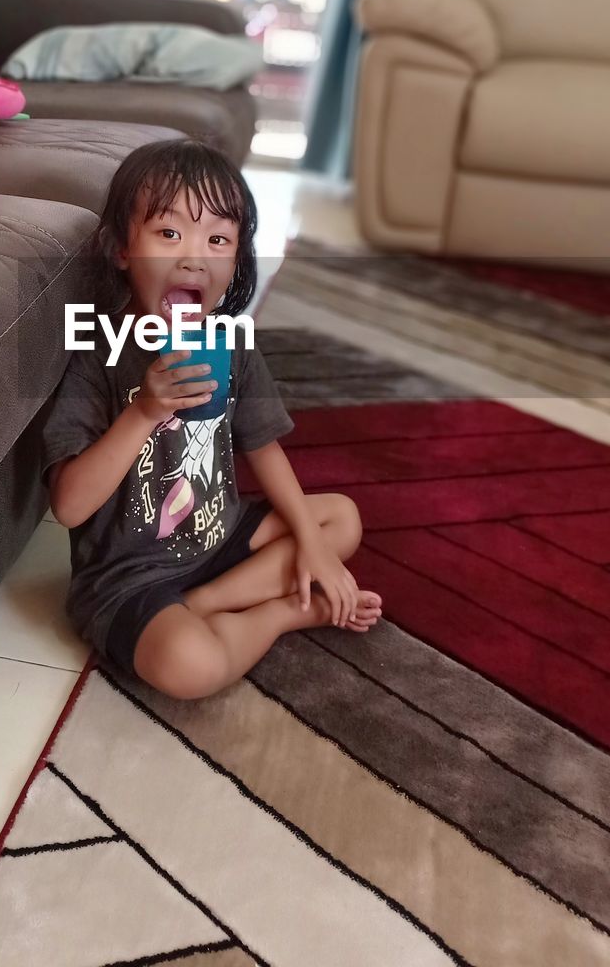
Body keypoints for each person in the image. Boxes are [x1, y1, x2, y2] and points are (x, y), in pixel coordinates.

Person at [42, 138, 381, 699]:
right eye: (169, 233)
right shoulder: (95, 353)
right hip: (129, 577)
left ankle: (208, 601)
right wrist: (145, 411)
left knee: (339, 519)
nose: (194, 256)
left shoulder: (230, 345)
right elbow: (70, 505)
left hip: (219, 538)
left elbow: (263, 447)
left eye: (218, 239)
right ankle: (283, 615)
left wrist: (311, 543)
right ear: (122, 249)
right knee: (189, 667)